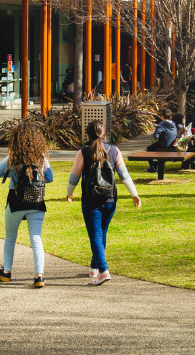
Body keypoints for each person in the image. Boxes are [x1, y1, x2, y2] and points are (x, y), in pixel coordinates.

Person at [66, 120, 141, 285]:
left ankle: (103, 270)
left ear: (87, 134)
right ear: (104, 133)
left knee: (95, 235)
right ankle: (94, 267)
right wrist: (134, 194)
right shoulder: (114, 150)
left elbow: (74, 177)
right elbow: (124, 175)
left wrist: (69, 192)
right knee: (102, 232)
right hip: (110, 199)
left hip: (91, 200)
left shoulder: (84, 152)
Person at [0, 123, 53, 289]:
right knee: (36, 237)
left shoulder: (13, 158)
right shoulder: (41, 157)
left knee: (10, 237)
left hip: (16, 201)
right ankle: (39, 275)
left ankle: (7, 271)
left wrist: (12, 171)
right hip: (37, 201)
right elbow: (50, 177)